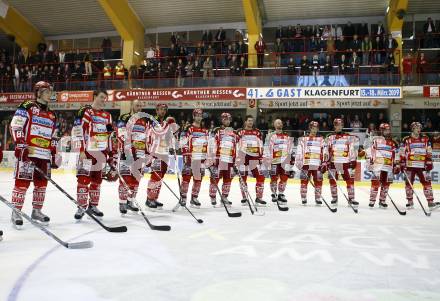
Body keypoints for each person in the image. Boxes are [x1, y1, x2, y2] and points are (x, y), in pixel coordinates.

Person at [9, 81, 58, 227]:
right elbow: (15, 125)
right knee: (22, 184)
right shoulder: (27, 106)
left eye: (50, 91)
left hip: (44, 156)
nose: (50, 94)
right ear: (38, 92)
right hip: (28, 153)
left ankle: (36, 211)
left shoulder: (52, 114)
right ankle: (16, 212)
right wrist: (20, 144)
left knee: (41, 185)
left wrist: (54, 153)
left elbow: (53, 136)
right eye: (47, 91)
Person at [71, 90, 114, 220]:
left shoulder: (107, 116)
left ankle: (93, 206)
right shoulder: (87, 111)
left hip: (101, 154)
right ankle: (81, 207)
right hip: (87, 153)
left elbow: (110, 136)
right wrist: (81, 150)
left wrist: (111, 154)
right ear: (95, 96)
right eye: (101, 97)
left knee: (97, 181)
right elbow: (78, 131)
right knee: (83, 180)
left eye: (105, 98)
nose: (103, 100)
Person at [116, 100, 146, 214]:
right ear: (132, 106)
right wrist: (128, 144)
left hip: (139, 154)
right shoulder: (124, 118)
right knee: (125, 180)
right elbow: (121, 133)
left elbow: (145, 138)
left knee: (135, 180)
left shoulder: (143, 121)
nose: (139, 107)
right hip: (126, 153)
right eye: (137, 105)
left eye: (140, 106)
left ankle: (130, 201)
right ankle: (122, 203)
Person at [400, 122, 439, 209]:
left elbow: (429, 150)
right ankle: (410, 202)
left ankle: (430, 202)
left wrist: (429, 160)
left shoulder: (425, 138)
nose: (419, 129)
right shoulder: (406, 139)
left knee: (427, 183)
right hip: (410, 165)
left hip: (422, 165)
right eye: (417, 127)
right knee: (408, 184)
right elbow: (402, 151)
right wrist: (402, 162)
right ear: (412, 128)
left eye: (420, 127)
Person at [146, 104, 177, 209]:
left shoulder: (166, 123)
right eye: (161, 109)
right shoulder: (152, 121)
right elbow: (150, 136)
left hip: (165, 153)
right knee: (155, 177)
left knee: (160, 177)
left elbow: (169, 137)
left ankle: (154, 198)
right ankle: (149, 199)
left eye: (164, 109)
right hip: (156, 153)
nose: (163, 111)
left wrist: (172, 146)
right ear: (156, 110)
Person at [178, 109, 209, 208]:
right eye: (197, 115)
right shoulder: (188, 128)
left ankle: (194, 198)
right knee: (186, 178)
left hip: (201, 159)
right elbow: (183, 141)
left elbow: (207, 144)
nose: (199, 117)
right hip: (190, 158)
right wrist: (186, 154)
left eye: (200, 115)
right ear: (193, 116)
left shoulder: (205, 130)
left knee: (198, 179)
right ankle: (183, 198)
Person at [325, 118, 359, 207]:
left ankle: (351, 198)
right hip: (333, 162)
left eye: (340, 125)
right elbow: (326, 150)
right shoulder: (330, 137)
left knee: (350, 180)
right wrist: (326, 161)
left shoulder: (348, 136)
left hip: (345, 162)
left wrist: (353, 159)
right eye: (337, 125)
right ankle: (334, 198)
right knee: (332, 180)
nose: (339, 127)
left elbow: (351, 149)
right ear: (334, 126)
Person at [366, 123, 400, 208]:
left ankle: (382, 200)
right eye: (386, 130)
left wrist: (397, 164)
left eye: (388, 130)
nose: (387, 131)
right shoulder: (376, 140)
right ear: (381, 130)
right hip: (378, 165)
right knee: (375, 182)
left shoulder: (393, 142)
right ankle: (372, 200)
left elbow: (396, 154)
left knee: (386, 184)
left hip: (388, 166)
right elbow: (372, 152)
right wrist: (370, 163)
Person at [208, 112, 238, 206]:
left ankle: (224, 197)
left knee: (228, 179)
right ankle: (213, 197)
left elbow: (235, 147)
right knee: (215, 178)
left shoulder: (233, 133)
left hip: (229, 160)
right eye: (225, 119)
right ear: (222, 120)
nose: (227, 121)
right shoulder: (217, 130)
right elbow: (211, 144)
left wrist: (235, 160)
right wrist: (212, 158)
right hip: (219, 159)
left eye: (229, 119)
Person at [295, 121, 327, 205]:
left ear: (318, 128)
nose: (314, 130)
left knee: (318, 181)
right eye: (312, 128)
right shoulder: (303, 139)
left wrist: (324, 162)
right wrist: (299, 161)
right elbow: (299, 150)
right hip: (306, 164)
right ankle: (303, 197)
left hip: (317, 164)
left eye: (316, 128)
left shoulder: (321, 139)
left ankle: (318, 198)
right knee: (304, 181)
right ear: (310, 128)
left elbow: (325, 151)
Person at [236, 115, 266, 206]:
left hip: (254, 157)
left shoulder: (257, 132)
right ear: (245, 121)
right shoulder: (240, 132)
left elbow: (260, 145)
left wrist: (261, 157)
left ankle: (259, 198)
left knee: (260, 177)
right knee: (243, 178)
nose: (250, 122)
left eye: (251, 121)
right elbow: (236, 145)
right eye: (249, 120)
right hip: (243, 157)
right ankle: (244, 198)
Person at [265, 119, 293, 205]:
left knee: (284, 177)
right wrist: (268, 161)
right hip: (274, 161)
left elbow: (290, 148)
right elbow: (268, 148)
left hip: (284, 161)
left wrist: (291, 158)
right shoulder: (271, 136)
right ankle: (273, 194)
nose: (279, 124)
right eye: (277, 123)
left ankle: (281, 194)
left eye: (280, 122)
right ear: (274, 125)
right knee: (274, 178)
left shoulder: (287, 136)